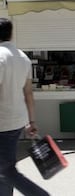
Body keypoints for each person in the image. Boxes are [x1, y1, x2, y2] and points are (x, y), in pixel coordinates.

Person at [0, 18, 50, 196]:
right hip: (17, 121)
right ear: (11, 33)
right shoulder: (23, 58)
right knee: (4, 168)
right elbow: (28, 93)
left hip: (2, 122)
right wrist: (32, 121)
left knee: (7, 170)